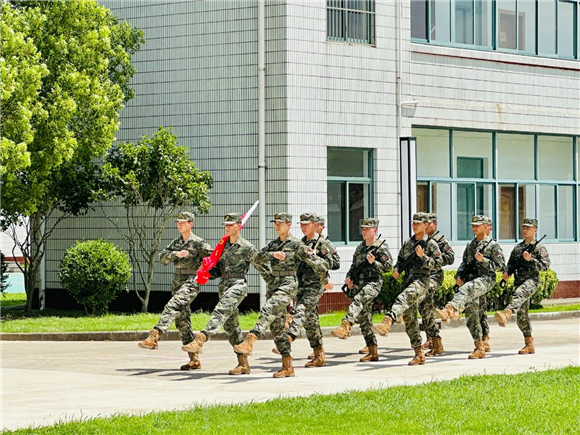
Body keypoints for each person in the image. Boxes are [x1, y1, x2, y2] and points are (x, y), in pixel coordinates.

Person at [180, 213, 262, 375]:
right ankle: (243, 364)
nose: (228, 227)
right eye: (226, 224)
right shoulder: (223, 246)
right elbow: (218, 270)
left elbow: (262, 267)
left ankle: (201, 339)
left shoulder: (247, 247)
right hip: (224, 286)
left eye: (231, 224)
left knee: (221, 309)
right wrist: (205, 272)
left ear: (239, 225)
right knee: (231, 326)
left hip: (238, 285)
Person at [233, 212, 307, 378]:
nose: (276, 226)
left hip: (288, 283)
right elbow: (257, 257)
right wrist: (272, 255)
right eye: (275, 223)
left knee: (269, 308)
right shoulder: (273, 245)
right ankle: (288, 366)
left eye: (280, 223)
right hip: (274, 284)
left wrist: (322, 282)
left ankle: (250, 339)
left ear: (288, 224)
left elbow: (313, 262)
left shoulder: (297, 245)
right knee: (277, 328)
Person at [138, 212, 212, 370]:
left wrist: (205, 272)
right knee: (182, 319)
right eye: (178, 222)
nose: (179, 224)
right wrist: (175, 254)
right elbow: (162, 257)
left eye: (183, 222)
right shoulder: (176, 242)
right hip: (177, 282)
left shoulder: (199, 243)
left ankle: (155, 334)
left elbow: (213, 258)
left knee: (173, 305)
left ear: (191, 224)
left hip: (191, 281)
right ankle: (194, 359)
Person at [372, 213, 442, 365]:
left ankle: (387, 321)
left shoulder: (431, 244)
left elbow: (438, 263)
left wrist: (422, 257)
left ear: (425, 225)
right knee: (410, 318)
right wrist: (397, 270)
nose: (415, 225)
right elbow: (400, 260)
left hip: (422, 280)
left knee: (403, 298)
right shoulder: (408, 243)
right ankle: (419, 353)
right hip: (408, 279)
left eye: (418, 223)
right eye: (413, 223)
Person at [435, 215, 505, 359]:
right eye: (473, 225)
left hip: (486, 279)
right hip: (471, 280)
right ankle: (480, 345)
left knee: (467, 289)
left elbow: (500, 266)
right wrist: (459, 275)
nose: (474, 227)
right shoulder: (470, 245)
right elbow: (465, 264)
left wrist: (484, 260)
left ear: (486, 227)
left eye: (477, 225)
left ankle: (450, 309)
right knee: (473, 312)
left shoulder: (493, 245)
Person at [331, 218, 392, 363]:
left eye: (367, 229)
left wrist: (374, 263)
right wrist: (349, 278)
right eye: (362, 229)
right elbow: (354, 266)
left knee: (359, 300)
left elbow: (388, 267)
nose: (363, 231)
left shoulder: (380, 247)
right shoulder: (360, 248)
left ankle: (345, 325)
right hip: (360, 283)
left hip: (373, 283)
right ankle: (372, 350)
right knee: (364, 318)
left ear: (374, 230)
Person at [285, 213, 340, 368]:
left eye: (306, 224)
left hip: (316, 284)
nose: (303, 227)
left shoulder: (323, 244)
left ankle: (289, 338)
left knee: (300, 310)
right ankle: (319, 355)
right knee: (311, 322)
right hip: (301, 284)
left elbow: (335, 264)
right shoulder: (301, 244)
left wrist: (317, 257)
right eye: (301, 224)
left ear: (315, 225)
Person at [495, 218, 551, 355]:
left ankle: (506, 313)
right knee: (522, 315)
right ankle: (529, 343)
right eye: (524, 228)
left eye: (528, 228)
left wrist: (530, 260)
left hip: (532, 280)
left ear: (535, 230)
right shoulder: (518, 248)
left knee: (519, 293)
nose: (525, 230)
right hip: (519, 281)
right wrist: (507, 272)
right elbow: (511, 263)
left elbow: (545, 266)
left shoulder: (539, 248)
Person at [419, 213, 454, 357]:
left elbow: (450, 257)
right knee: (424, 308)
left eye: (429, 223)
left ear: (435, 224)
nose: (426, 226)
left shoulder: (440, 240)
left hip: (434, 276)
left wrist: (435, 260)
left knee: (426, 304)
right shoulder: (420, 239)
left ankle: (435, 340)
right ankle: (432, 339)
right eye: (424, 224)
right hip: (422, 276)